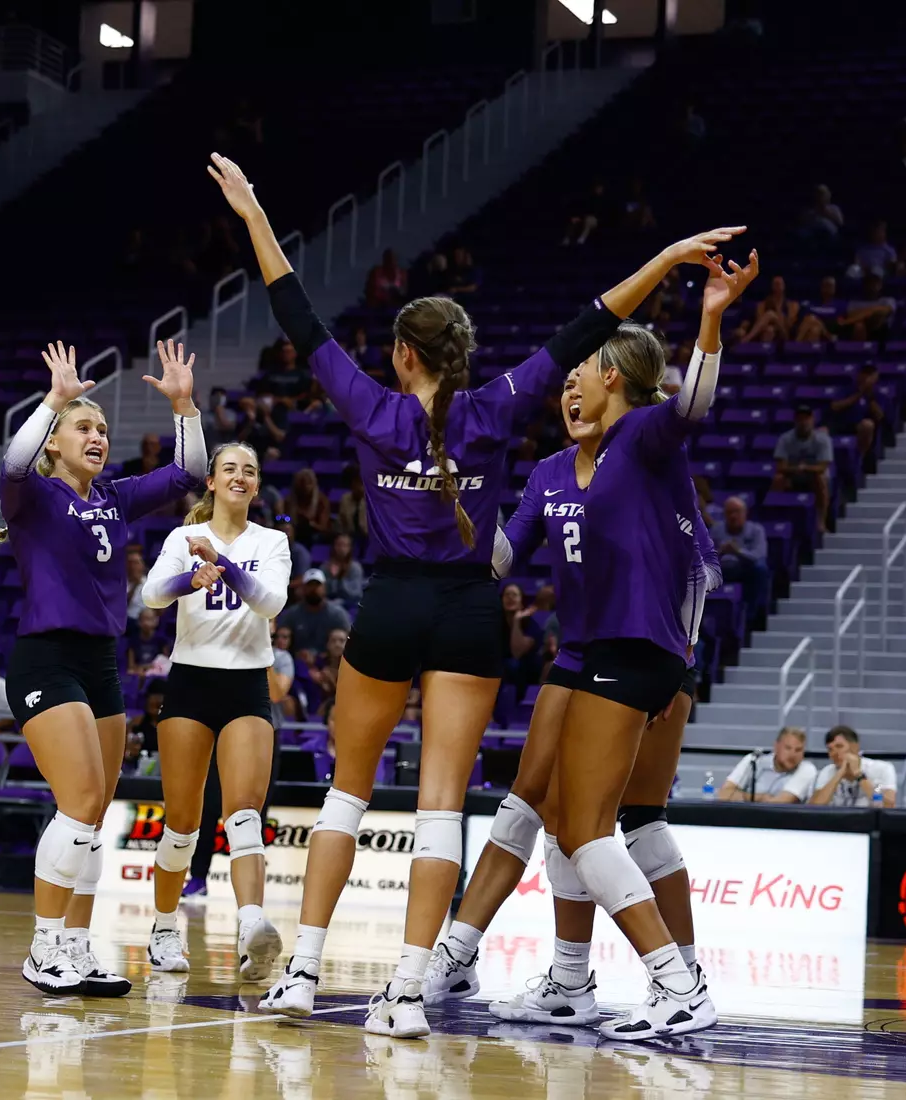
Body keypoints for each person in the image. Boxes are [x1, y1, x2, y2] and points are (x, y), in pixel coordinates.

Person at [210, 148, 746, 1038]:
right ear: (458, 357)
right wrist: (669, 262)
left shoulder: (372, 408)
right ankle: (412, 992)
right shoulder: (500, 407)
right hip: (467, 614)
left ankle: (303, 974)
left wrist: (257, 215)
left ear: (401, 355)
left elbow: (297, 312)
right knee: (441, 808)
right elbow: (594, 319)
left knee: (348, 796)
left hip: (390, 607)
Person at [430, 286, 735, 1036]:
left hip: (645, 649)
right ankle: (570, 980)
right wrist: (457, 510)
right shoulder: (549, 472)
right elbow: (499, 560)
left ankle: (678, 980)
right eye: (562, 380)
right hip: (583, 651)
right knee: (558, 811)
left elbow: (693, 401)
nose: (566, 385)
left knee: (604, 823)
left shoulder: (647, 440)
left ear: (620, 381)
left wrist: (711, 318)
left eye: (581, 373)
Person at [0, 338, 204, 995]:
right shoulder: (33, 496)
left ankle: (75, 944)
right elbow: (9, 464)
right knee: (81, 800)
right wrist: (53, 400)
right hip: (47, 657)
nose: (96, 436)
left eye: (101, 428)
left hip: (102, 661)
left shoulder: (117, 496)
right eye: (83, 427)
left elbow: (189, 473)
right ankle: (43, 947)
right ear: (56, 443)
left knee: (94, 812)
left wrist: (184, 406)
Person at [140, 441, 291, 979]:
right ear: (212, 482)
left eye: (250, 470)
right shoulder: (183, 537)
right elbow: (151, 595)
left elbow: (272, 603)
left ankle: (252, 927)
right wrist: (190, 577)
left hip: (247, 683)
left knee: (245, 813)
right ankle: (162, 930)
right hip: (191, 683)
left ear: (255, 485)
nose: (240, 476)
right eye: (230, 468)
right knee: (181, 825)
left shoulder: (272, 541)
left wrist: (222, 565)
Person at [771, 406, 833, 534]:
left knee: (820, 479)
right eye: (800, 419)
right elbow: (780, 466)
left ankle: (820, 522)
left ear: (812, 420)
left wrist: (805, 468)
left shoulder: (822, 439)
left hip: (814, 476)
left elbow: (823, 467)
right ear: (795, 421)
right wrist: (796, 469)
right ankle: (775, 520)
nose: (804, 422)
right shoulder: (785, 439)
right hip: (793, 475)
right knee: (778, 479)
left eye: (807, 418)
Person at [710, 495, 769, 627]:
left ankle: (752, 615)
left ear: (745, 513)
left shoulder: (756, 530)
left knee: (760, 568)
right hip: (723, 568)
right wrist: (720, 552)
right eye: (729, 512)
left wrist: (738, 551)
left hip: (746, 568)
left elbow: (759, 555)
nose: (733, 516)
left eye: (737, 512)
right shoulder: (716, 531)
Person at [717, 727, 817, 802]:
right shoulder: (754, 760)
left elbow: (780, 803)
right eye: (788, 748)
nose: (793, 754)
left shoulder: (807, 769)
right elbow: (724, 794)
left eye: (798, 750)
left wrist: (743, 797)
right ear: (776, 747)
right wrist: (760, 797)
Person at [809, 726, 898, 807]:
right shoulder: (828, 772)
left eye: (839, 746)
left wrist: (859, 775)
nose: (834, 753)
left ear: (855, 747)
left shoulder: (881, 769)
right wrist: (839, 775)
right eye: (830, 749)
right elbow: (814, 807)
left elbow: (887, 805)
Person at [277, 570, 351, 663]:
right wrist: (296, 654)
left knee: (339, 635)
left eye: (317, 585)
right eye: (310, 585)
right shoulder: (291, 614)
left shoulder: (338, 614)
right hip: (297, 664)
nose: (314, 589)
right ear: (303, 588)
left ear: (324, 587)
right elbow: (280, 642)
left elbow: (350, 645)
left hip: (330, 664)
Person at [322, 534, 364, 608]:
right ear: (334, 546)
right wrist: (334, 579)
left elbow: (356, 593)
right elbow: (321, 590)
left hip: (348, 604)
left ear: (350, 548)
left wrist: (340, 579)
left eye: (345, 545)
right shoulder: (325, 567)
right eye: (339, 545)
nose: (341, 548)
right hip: (327, 604)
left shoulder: (355, 568)